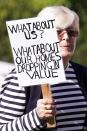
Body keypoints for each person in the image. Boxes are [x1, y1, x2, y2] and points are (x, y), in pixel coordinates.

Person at [0, 5, 87, 131]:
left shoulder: (82, 74)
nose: (66, 37)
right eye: (58, 32)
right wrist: (36, 117)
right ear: (41, 35)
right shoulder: (20, 77)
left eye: (72, 32)